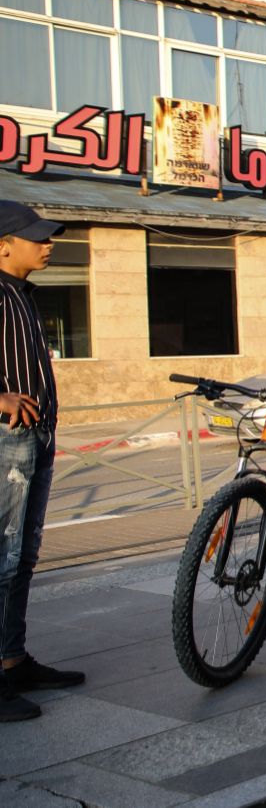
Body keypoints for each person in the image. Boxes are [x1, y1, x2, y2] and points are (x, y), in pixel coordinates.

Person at [0, 201, 85, 722]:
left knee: (23, 557)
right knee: (3, 559)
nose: (47, 244)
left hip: (36, 438)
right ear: (4, 243)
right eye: (36, 237)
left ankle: (12, 661)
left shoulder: (22, 295)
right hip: (6, 441)